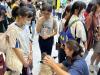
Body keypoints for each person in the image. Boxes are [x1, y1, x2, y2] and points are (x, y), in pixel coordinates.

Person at [5, 6, 32, 75]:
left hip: (26, 58)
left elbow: (29, 40)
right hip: (18, 61)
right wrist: (24, 62)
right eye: (27, 19)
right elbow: (15, 48)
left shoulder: (26, 26)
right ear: (20, 16)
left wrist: (30, 54)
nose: (29, 21)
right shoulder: (12, 28)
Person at [90, 0, 100, 73]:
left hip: (98, 35)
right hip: (97, 37)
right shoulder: (92, 15)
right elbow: (91, 28)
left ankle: (96, 64)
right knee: (96, 52)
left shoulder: (98, 15)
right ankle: (91, 64)